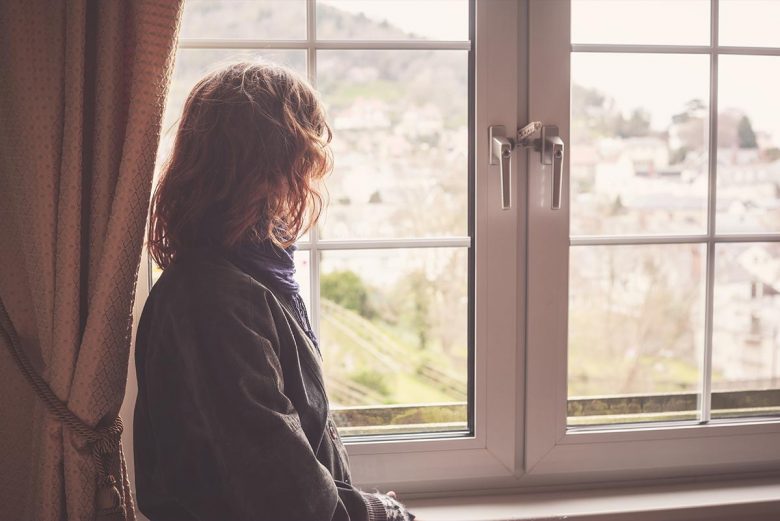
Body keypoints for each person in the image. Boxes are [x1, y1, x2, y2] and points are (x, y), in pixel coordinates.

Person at [133, 62, 414, 521]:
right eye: (302, 160)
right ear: (264, 171)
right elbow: (283, 491)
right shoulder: (216, 301)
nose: (307, 178)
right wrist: (376, 513)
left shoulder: (249, 280)